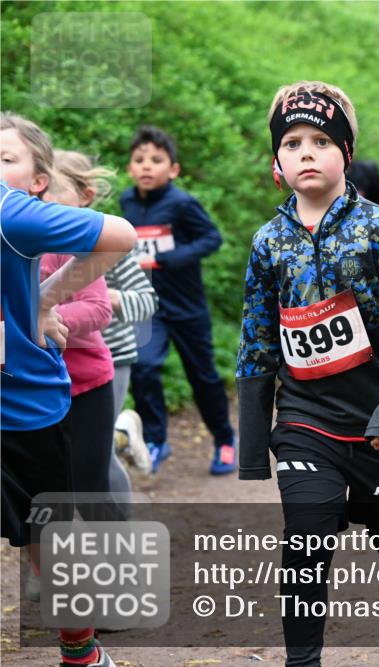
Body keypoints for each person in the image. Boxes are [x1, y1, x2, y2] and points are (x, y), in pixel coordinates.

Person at [236, 80, 379, 666]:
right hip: (305, 421)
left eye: (322, 140)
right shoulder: (268, 243)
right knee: (306, 536)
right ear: (276, 162)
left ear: (346, 154)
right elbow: (256, 342)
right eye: (293, 142)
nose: (307, 151)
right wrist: (255, 444)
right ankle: (302, 660)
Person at [1, 111, 137, 667]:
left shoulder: (12, 215)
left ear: (38, 181)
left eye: (5, 159)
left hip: (28, 404)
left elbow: (119, 237)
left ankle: (82, 648)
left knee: (49, 537)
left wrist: (44, 300)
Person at [120, 126, 237, 475]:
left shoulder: (182, 203)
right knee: (142, 367)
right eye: (139, 160)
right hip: (148, 306)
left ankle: (225, 440)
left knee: (203, 377)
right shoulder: (126, 202)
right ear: (129, 168)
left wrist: (176, 256)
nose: (146, 167)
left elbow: (211, 239)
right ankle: (156, 439)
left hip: (187, 308)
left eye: (156, 160)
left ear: (173, 169)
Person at [47, 150, 155, 486]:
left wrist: (101, 296)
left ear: (85, 196)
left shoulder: (108, 241)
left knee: (100, 452)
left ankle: (115, 523)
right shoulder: (37, 241)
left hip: (113, 357)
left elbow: (147, 302)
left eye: (52, 188)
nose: (41, 198)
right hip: (63, 357)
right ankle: (123, 430)